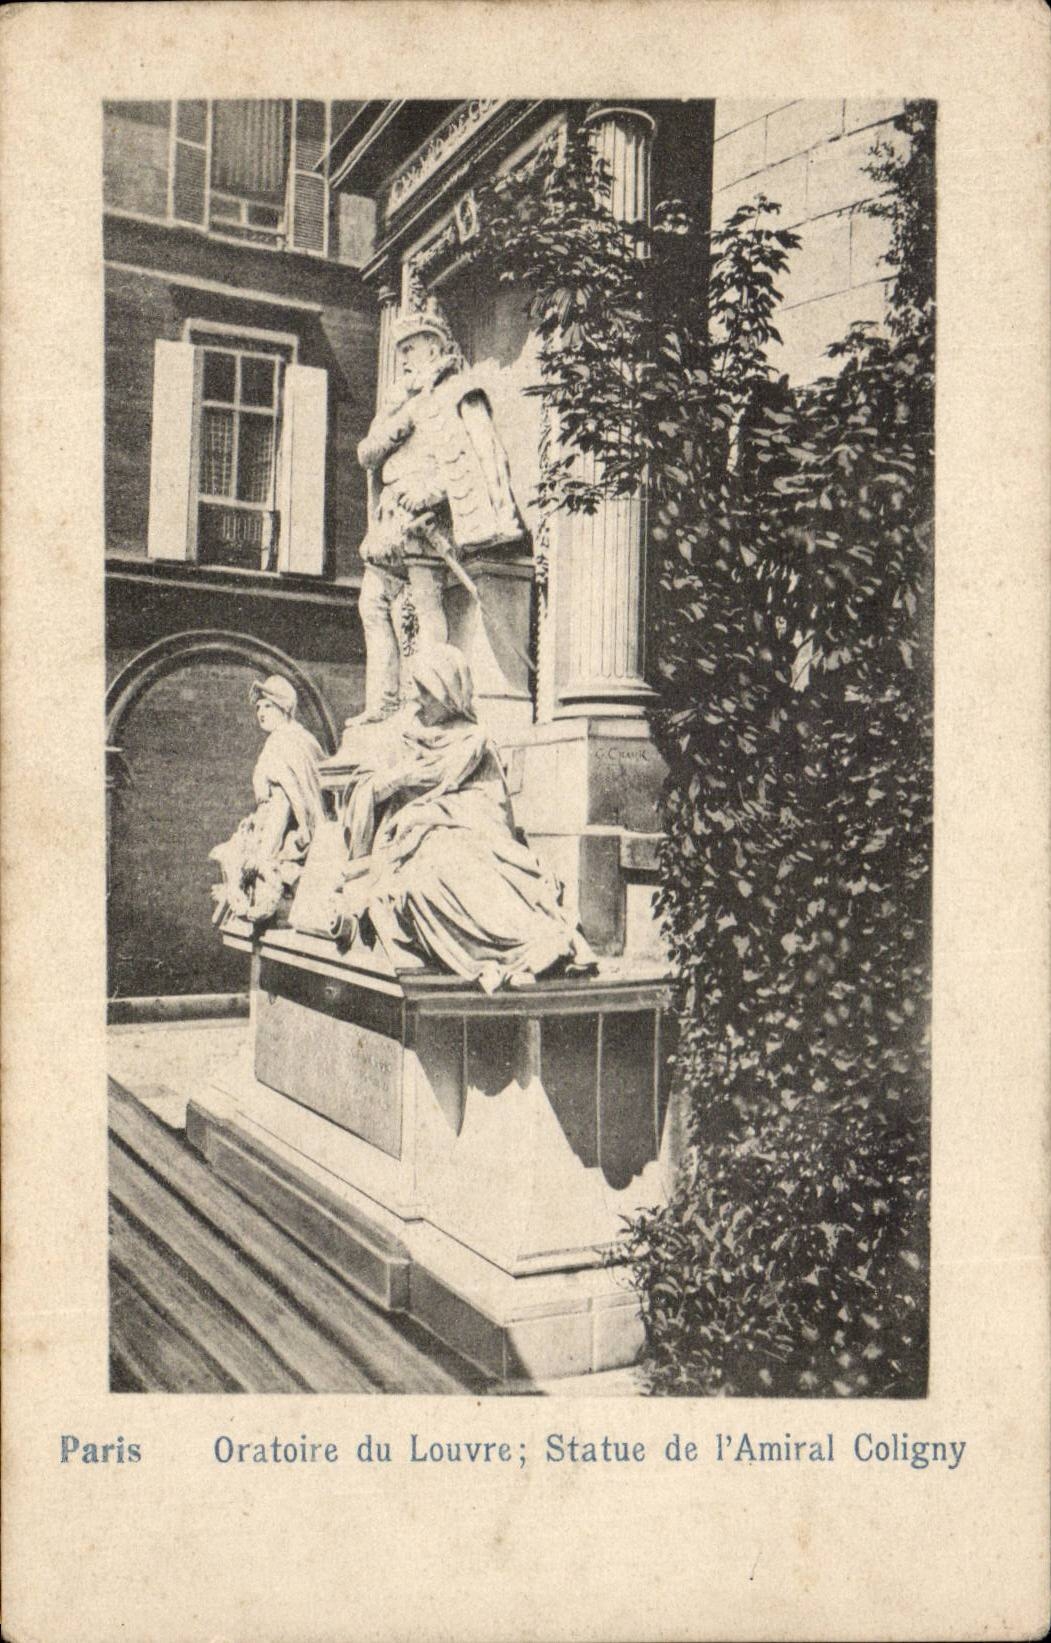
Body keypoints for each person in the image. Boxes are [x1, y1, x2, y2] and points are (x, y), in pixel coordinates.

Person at [334, 645, 595, 992]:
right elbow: (359, 792)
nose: (419, 699)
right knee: (432, 876)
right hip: (405, 846)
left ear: (451, 694)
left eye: (428, 691)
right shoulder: (400, 735)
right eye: (418, 688)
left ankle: (540, 945)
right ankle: (525, 950)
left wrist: (432, 814)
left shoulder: (474, 742)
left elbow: (493, 813)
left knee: (473, 867)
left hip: (466, 836)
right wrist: (398, 780)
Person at [351, 298, 525, 725]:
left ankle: (435, 697)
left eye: (411, 348)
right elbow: (367, 454)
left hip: (429, 523)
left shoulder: (458, 394)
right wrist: (393, 428)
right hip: (390, 523)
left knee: (426, 611)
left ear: (434, 347)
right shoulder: (399, 403)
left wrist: (431, 493)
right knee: (374, 605)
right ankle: (386, 702)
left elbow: (482, 461)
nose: (404, 358)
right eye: (401, 351)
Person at [209, 674, 326, 925]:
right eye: (258, 707)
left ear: (283, 708)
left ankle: (248, 895)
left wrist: (303, 826)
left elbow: (290, 792)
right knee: (232, 855)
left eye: (268, 706)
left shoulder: (284, 740)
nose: (260, 712)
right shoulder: (297, 738)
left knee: (243, 860)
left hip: (278, 824)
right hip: (270, 821)